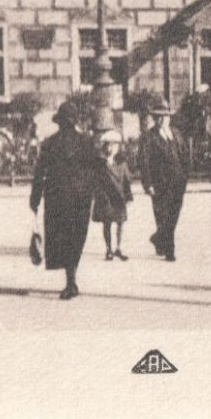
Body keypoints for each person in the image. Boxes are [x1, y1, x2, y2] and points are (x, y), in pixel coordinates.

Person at [29, 100, 106, 300]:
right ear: (75, 121)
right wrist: (100, 194)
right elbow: (99, 168)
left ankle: (70, 280)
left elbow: (39, 173)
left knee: (62, 238)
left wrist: (35, 199)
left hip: (57, 198)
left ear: (60, 122)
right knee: (76, 238)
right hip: (81, 198)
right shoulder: (86, 142)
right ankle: (71, 279)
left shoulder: (50, 143)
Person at [137, 103, 190, 262]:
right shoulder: (148, 136)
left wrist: (186, 175)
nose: (162, 120)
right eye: (158, 117)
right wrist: (148, 184)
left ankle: (158, 238)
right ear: (154, 119)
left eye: (165, 116)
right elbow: (143, 162)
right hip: (160, 182)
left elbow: (185, 154)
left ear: (169, 117)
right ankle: (169, 250)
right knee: (163, 215)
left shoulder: (176, 133)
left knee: (173, 214)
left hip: (178, 182)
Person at [92, 129, 134, 261]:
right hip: (106, 197)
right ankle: (109, 249)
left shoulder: (121, 162)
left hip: (119, 197)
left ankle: (119, 248)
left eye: (115, 145)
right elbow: (96, 181)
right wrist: (99, 196)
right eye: (109, 145)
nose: (112, 148)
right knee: (107, 223)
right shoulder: (100, 163)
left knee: (121, 222)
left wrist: (128, 195)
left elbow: (127, 180)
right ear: (105, 146)